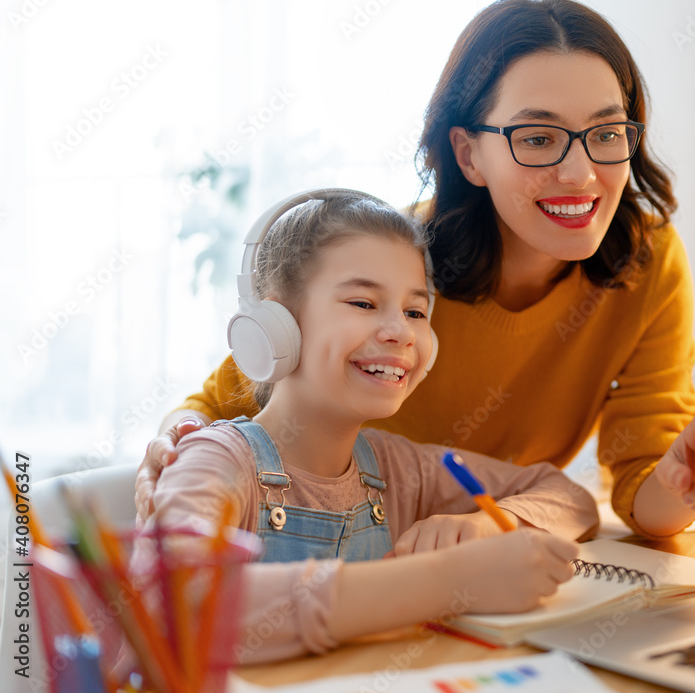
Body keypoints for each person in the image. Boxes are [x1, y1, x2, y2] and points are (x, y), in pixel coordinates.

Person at [137, 0, 695, 540]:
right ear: (469, 154)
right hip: (343, 555)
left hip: (484, 568)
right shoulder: (393, 257)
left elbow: (647, 493)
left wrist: (689, 484)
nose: (580, 173)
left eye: (606, 132)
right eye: (538, 138)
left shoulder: (647, 261)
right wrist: (177, 443)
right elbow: (218, 405)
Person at [135, 190, 598, 663]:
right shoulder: (218, 460)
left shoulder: (398, 467)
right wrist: (446, 582)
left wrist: (483, 527)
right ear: (276, 325)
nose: (399, 330)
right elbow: (173, 603)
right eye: (362, 302)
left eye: (415, 312)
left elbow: (568, 497)